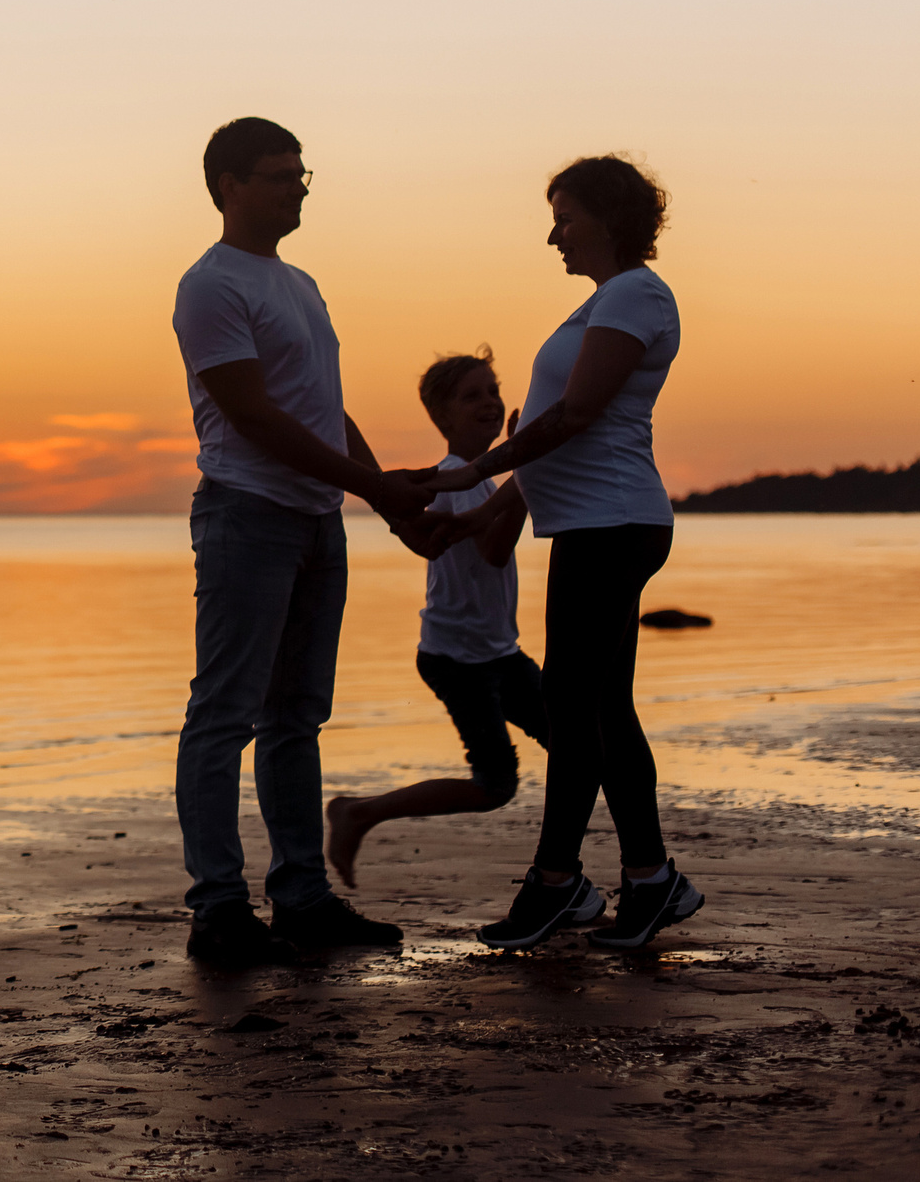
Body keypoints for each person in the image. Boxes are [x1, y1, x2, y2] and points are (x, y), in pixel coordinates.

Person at [412, 155, 702, 951]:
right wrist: (479, 514)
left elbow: (574, 416)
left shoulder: (637, 294)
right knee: (603, 708)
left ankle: (556, 882)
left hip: (610, 525)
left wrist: (475, 468)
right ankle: (650, 880)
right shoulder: (606, 302)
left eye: (565, 217)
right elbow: (556, 444)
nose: (553, 235)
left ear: (608, 217)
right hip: (592, 522)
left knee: (571, 710)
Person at [171, 117, 428, 967]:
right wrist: (378, 488)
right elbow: (254, 415)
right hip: (248, 514)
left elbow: (320, 408)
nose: (299, 187)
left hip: (319, 519)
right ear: (228, 185)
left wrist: (386, 497)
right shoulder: (211, 286)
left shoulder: (302, 283)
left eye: (302, 172)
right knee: (224, 713)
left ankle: (303, 897)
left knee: (296, 718)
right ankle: (217, 909)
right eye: (280, 175)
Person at [325, 350, 546, 886]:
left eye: (493, 391)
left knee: (580, 742)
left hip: (496, 651)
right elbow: (494, 550)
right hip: (458, 658)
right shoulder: (455, 479)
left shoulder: (480, 480)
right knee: (496, 785)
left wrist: (519, 467)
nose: (490, 403)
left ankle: (561, 874)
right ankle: (358, 811)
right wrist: (528, 464)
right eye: (473, 396)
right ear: (442, 417)